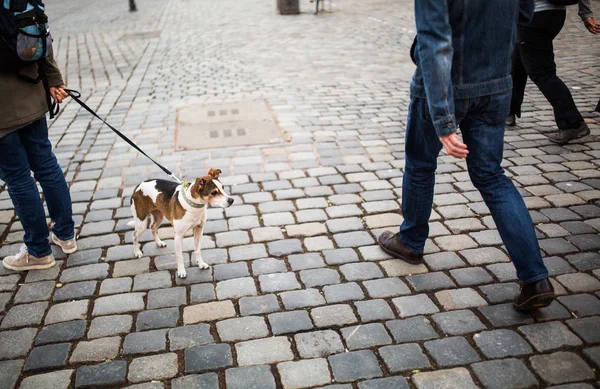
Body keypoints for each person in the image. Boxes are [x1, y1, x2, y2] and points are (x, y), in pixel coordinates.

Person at [377, 0, 555, 311]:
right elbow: (525, 13)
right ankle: (535, 278)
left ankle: (410, 241)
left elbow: (434, 41)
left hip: (448, 85)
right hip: (496, 81)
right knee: (491, 175)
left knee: (420, 164)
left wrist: (444, 119)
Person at [0, 45, 77, 271]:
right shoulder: (14, 6)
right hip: (30, 92)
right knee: (45, 164)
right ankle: (66, 235)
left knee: (18, 177)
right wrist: (53, 78)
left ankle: (38, 251)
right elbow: (43, 36)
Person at [506, 0, 599, 144]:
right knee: (518, 58)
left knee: (543, 73)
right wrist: (585, 13)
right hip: (554, 15)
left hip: (533, 16)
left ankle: (573, 123)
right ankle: (509, 109)